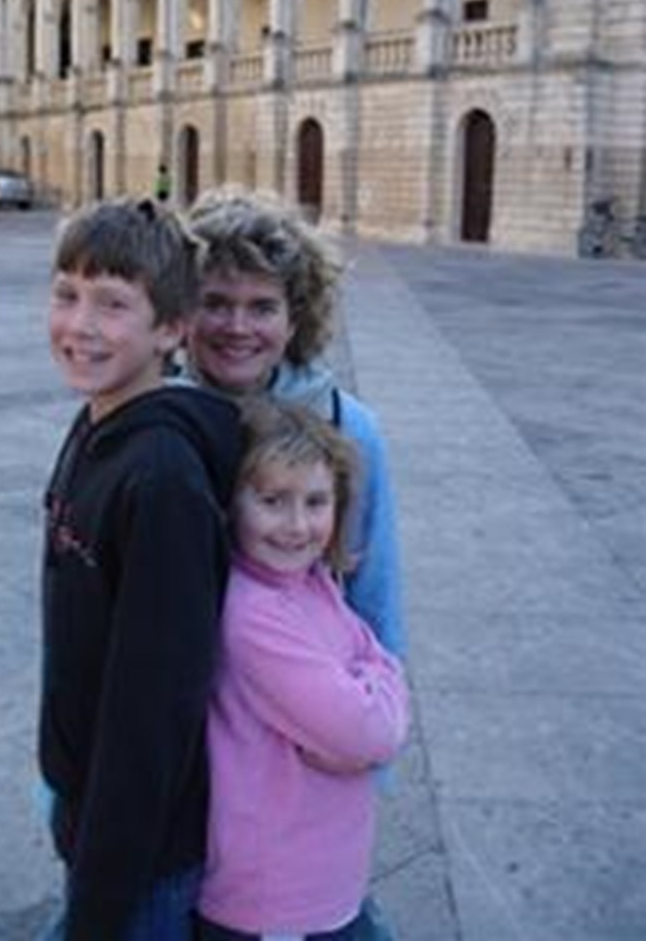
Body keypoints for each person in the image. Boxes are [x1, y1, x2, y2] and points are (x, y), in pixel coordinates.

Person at [37, 198, 241, 941]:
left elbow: (154, 710)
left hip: (141, 849)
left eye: (113, 303)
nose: (80, 324)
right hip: (91, 809)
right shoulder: (97, 422)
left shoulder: (162, 482)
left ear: (172, 329)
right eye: (67, 294)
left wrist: (101, 890)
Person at [196, 400, 410, 940]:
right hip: (275, 897)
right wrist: (373, 687)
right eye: (272, 501)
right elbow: (373, 731)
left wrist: (373, 682)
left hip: (323, 878)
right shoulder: (253, 615)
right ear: (232, 504)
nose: (296, 526)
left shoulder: (312, 582)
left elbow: (380, 661)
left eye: (316, 502)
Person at [185, 188, 405, 660]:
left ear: (294, 321)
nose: (237, 327)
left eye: (262, 307)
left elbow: (373, 589)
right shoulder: (154, 418)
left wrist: (384, 687)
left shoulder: (347, 426)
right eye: (216, 303)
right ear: (182, 311)